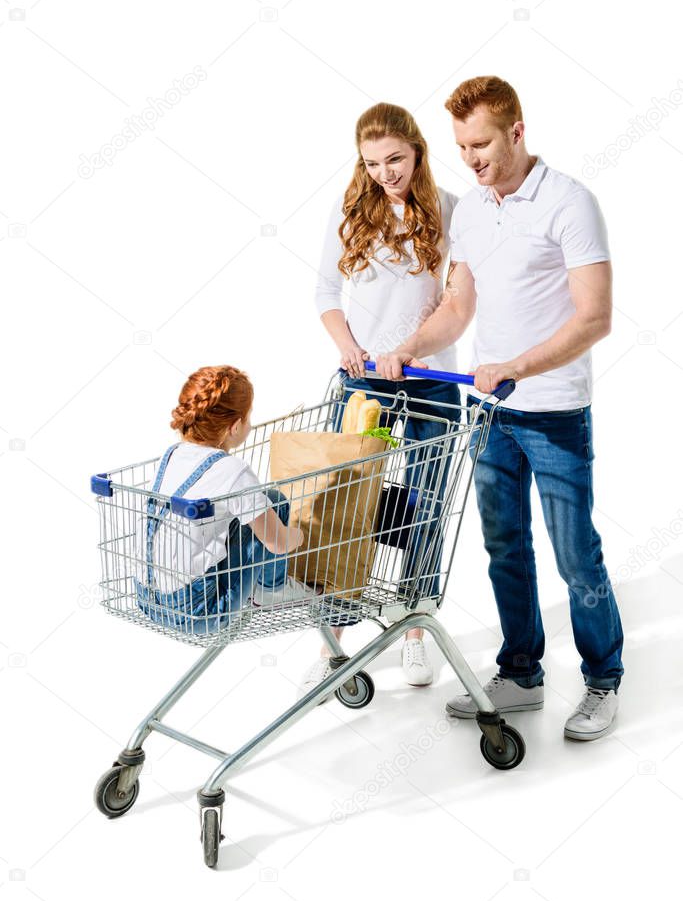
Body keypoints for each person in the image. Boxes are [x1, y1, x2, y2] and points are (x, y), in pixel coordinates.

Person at [376, 76, 624, 741]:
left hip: (553, 412)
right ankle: (520, 672)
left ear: (517, 131)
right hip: (489, 414)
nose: (471, 157)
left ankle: (602, 680)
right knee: (504, 545)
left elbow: (594, 316)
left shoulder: (570, 202)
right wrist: (408, 344)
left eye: (481, 142)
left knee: (575, 554)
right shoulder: (471, 212)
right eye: (460, 145)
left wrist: (516, 365)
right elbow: (457, 304)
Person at [302, 101, 462, 700]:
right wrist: (349, 347)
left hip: (431, 383)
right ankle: (333, 640)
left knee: (425, 501)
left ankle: (413, 626)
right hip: (364, 380)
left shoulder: (450, 210)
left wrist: (415, 348)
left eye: (394, 158)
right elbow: (325, 290)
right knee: (349, 501)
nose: (385, 172)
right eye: (372, 163)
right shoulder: (352, 212)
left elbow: (461, 297)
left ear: (417, 151)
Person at [137, 365, 319, 634]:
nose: (251, 424)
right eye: (249, 417)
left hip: (147, 599)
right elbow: (277, 543)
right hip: (200, 612)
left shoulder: (172, 455)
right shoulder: (233, 471)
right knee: (274, 502)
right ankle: (272, 590)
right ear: (234, 427)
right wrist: (300, 535)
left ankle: (263, 587)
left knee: (252, 506)